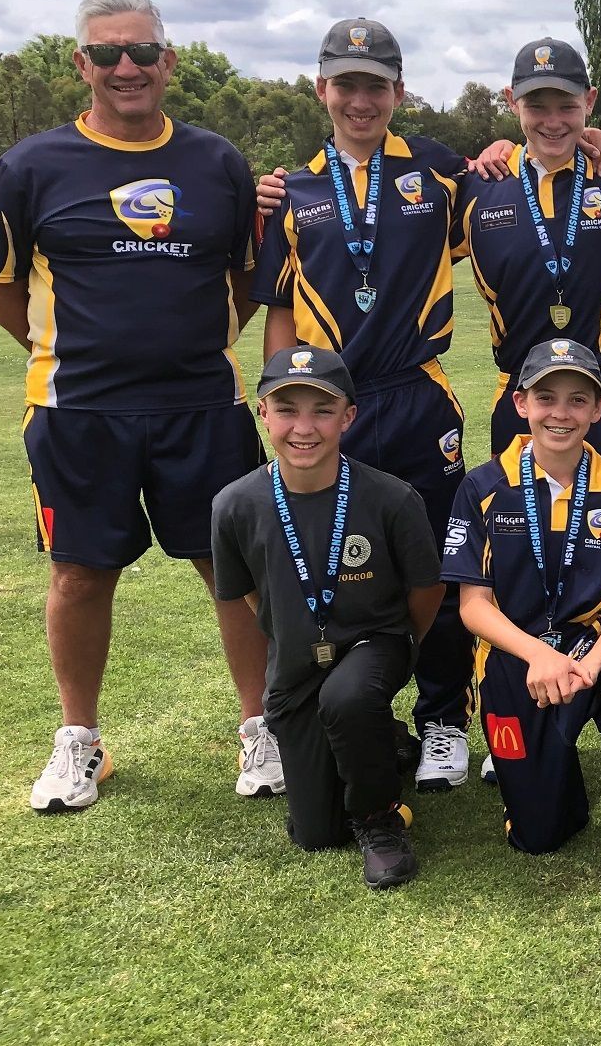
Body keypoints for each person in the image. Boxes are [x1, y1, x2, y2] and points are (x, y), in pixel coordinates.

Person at [0, 0, 274, 812]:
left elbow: (246, 282)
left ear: (168, 61)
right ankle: (80, 741)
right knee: (78, 574)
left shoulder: (217, 162)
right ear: (82, 64)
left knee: (233, 569)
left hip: (203, 407)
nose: (126, 67)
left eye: (141, 50)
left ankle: (263, 728)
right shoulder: (31, 167)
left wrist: (190, 345)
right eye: (107, 52)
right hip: (77, 413)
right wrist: (70, 357)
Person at [251, 17, 480, 792]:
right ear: (322, 89)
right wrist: (282, 407)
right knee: (329, 567)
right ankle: (339, 715)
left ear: (398, 92)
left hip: (417, 393)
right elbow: (281, 312)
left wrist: (584, 143)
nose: (360, 100)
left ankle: (444, 719)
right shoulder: (293, 190)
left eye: (375, 86)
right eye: (346, 85)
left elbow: (522, 175)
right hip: (332, 405)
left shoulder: (439, 171)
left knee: (440, 561)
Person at [451, 37, 601, 774]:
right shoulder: (478, 187)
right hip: (520, 398)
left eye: (567, 105)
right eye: (537, 104)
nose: (553, 119)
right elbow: (394, 236)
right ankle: (509, 708)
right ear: (512, 104)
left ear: (590, 105)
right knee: (510, 551)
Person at [444, 338, 601, 914]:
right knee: (540, 836)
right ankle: (552, 775)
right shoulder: (483, 486)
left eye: (578, 400)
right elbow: (474, 606)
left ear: (599, 409)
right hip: (514, 656)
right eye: (546, 398)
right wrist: (540, 656)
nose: (561, 413)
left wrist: (589, 665)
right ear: (521, 404)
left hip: (592, 647)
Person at [210, 346, 444, 889]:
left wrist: (401, 643)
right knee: (316, 833)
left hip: (375, 644)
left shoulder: (391, 498)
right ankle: (384, 741)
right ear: (263, 414)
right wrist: (297, 633)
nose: (304, 427)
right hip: (296, 667)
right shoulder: (234, 505)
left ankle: (380, 821)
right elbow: (251, 598)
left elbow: (427, 590)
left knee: (349, 696)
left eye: (322, 410)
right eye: (286, 409)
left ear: (348, 417)